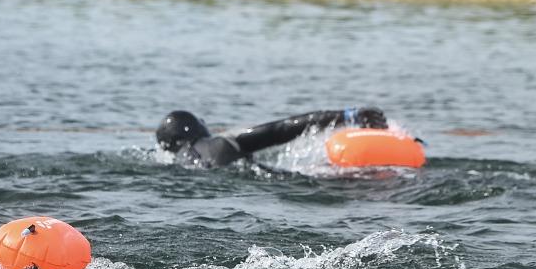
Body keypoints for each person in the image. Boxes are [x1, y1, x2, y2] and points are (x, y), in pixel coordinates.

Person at [157, 106, 393, 168]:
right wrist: (347, 116)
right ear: (196, 128)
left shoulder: (180, 160)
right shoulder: (222, 142)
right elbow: (281, 129)